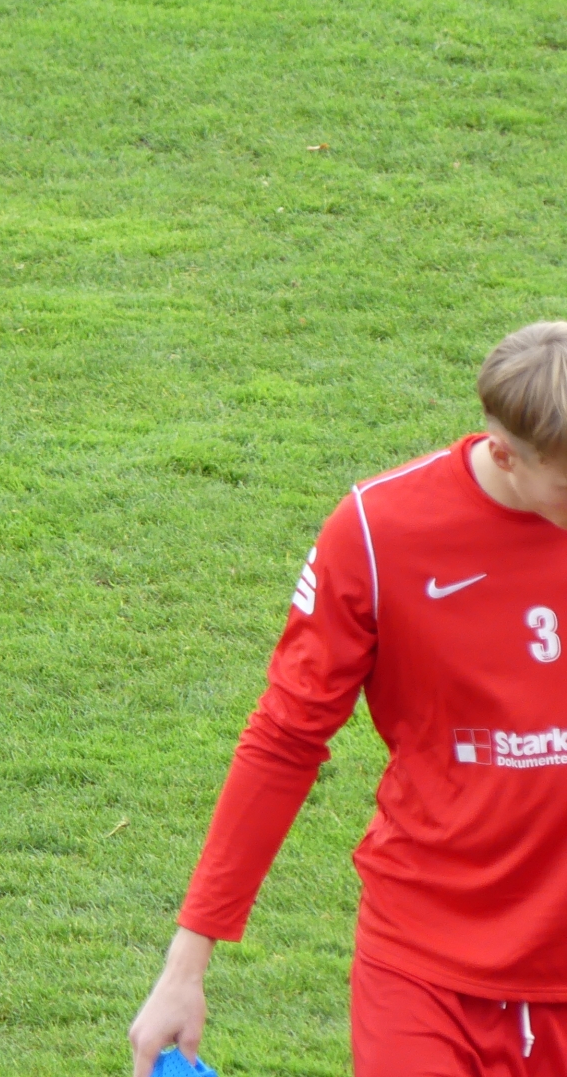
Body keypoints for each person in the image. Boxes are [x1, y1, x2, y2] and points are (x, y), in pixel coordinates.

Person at [129, 321, 567, 1076]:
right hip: (426, 973)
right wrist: (187, 960)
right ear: (504, 453)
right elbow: (284, 738)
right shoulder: (378, 531)